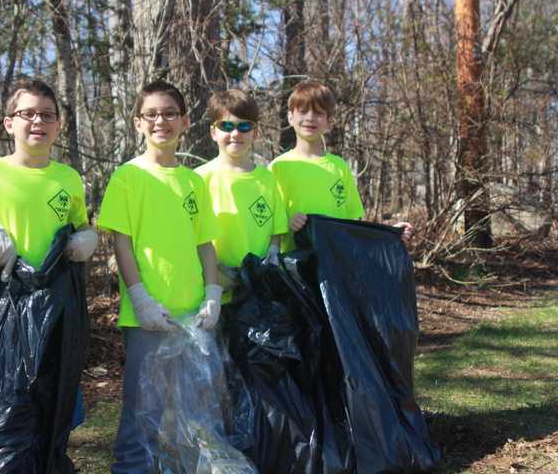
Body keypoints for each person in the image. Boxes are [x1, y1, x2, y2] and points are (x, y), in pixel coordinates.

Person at [97, 80, 221, 474]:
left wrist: (213, 294)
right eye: (151, 114)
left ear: (185, 121)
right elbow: (122, 242)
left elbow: (204, 244)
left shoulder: (193, 181)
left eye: (169, 113)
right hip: (149, 317)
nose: (160, 121)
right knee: (142, 412)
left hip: (193, 318)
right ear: (138, 123)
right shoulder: (128, 177)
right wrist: (141, 298)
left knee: (195, 413)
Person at [0, 77, 98, 272]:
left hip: (56, 292)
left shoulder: (70, 177)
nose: (38, 120)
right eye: (28, 113)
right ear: (9, 124)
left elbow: (79, 225)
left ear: (58, 126)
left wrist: (89, 237)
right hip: (3, 288)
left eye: (47, 115)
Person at [269, 80, 414, 250]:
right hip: (295, 268)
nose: (310, 118)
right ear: (290, 117)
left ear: (329, 121)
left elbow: (352, 227)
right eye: (303, 111)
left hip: (336, 266)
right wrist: (287, 223)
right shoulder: (278, 167)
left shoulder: (339, 167)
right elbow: (266, 225)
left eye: (318, 113)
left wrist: (390, 233)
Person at [195, 89, 287, 299]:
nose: (236, 134)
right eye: (227, 126)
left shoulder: (267, 179)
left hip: (258, 289)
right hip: (213, 289)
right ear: (213, 132)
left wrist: (272, 254)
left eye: (244, 126)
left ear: (255, 133)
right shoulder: (199, 179)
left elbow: (277, 229)